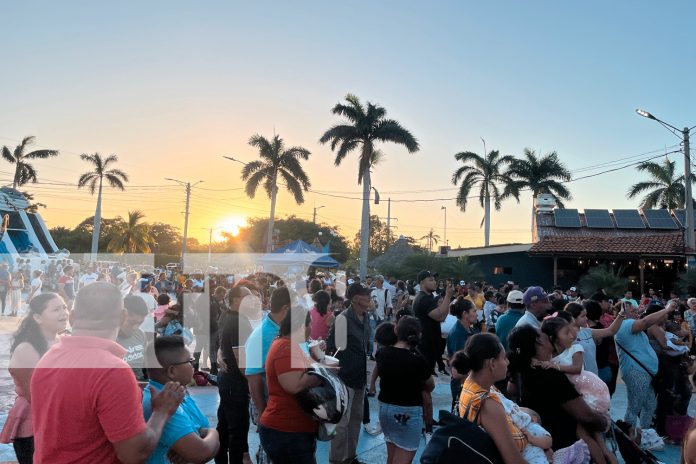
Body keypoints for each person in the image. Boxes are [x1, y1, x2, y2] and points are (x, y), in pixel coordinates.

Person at [30, 282, 185, 463]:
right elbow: (134, 454)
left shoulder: (48, 358)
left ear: (72, 317)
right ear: (122, 317)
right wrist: (163, 411)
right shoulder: (113, 371)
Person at [507, 325, 608, 452]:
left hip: (541, 444)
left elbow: (511, 389)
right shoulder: (550, 375)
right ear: (539, 341)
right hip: (564, 445)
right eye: (542, 332)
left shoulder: (521, 370)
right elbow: (585, 415)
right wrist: (604, 422)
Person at [0, 293, 68, 463]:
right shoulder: (26, 349)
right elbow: (36, 395)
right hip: (34, 424)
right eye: (56, 309)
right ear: (37, 317)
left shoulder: (64, 342)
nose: (64, 313)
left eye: (65, 307)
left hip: (60, 420)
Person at [540, 317, 614, 464]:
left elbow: (576, 368)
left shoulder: (575, 348)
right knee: (596, 439)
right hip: (582, 394)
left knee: (585, 434)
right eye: (566, 332)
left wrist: (555, 366)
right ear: (553, 338)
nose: (572, 335)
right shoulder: (550, 356)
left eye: (571, 330)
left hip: (591, 394)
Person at [257, 303, 322, 464]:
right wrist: (323, 375)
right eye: (310, 324)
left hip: (293, 430)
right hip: (287, 431)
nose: (311, 328)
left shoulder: (291, 345)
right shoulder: (286, 347)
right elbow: (293, 385)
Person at [143, 335, 220, 463]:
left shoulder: (178, 393)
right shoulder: (163, 405)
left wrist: (204, 437)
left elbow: (205, 437)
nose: (193, 365)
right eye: (190, 361)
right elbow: (202, 452)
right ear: (172, 371)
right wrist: (214, 433)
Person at [614, 299, 676, 445]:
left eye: (636, 309)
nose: (636, 312)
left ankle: (645, 436)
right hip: (637, 371)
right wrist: (667, 309)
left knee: (649, 405)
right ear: (621, 312)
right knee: (634, 407)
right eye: (632, 310)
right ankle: (628, 440)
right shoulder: (624, 324)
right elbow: (646, 321)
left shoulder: (628, 325)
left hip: (642, 372)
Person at [374, 316, 433, 464]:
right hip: (408, 412)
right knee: (403, 457)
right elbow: (430, 385)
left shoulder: (382, 354)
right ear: (418, 335)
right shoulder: (418, 360)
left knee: (392, 455)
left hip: (385, 409)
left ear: (396, 330)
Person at [327, 282, 371, 464]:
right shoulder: (343, 320)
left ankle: (351, 458)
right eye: (365, 295)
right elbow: (332, 349)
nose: (369, 298)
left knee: (356, 421)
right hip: (345, 378)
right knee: (342, 425)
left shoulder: (366, 317)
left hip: (360, 378)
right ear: (354, 299)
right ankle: (336, 460)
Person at [245, 286, 291, 461]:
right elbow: (253, 378)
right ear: (286, 309)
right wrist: (263, 413)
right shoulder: (261, 335)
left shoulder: (285, 329)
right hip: (270, 409)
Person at [216, 285, 254, 464]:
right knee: (237, 430)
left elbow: (222, 343)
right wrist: (254, 384)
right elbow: (242, 361)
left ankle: (220, 459)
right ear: (237, 300)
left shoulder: (226, 316)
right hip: (235, 383)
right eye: (248, 296)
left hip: (226, 380)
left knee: (224, 425)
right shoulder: (240, 322)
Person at [565, 301, 624, 375]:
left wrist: (621, 314)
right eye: (583, 316)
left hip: (594, 377)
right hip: (580, 380)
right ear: (572, 317)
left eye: (586, 315)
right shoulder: (566, 336)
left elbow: (611, 331)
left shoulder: (587, 331)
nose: (586, 318)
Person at [412, 270, 453, 374]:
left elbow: (442, 316)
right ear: (422, 283)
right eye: (430, 280)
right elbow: (440, 316)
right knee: (424, 380)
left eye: (435, 280)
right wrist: (448, 296)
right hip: (425, 345)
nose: (435, 282)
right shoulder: (424, 299)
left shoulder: (429, 297)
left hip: (429, 344)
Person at [445, 297, 478, 411]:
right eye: (474, 311)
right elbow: (458, 368)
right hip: (462, 386)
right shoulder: (457, 334)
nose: (477, 314)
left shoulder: (470, 330)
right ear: (465, 314)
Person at [117, 295, 150, 382]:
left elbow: (145, 364)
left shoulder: (140, 334)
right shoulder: (109, 339)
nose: (135, 328)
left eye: (140, 323)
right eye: (132, 322)